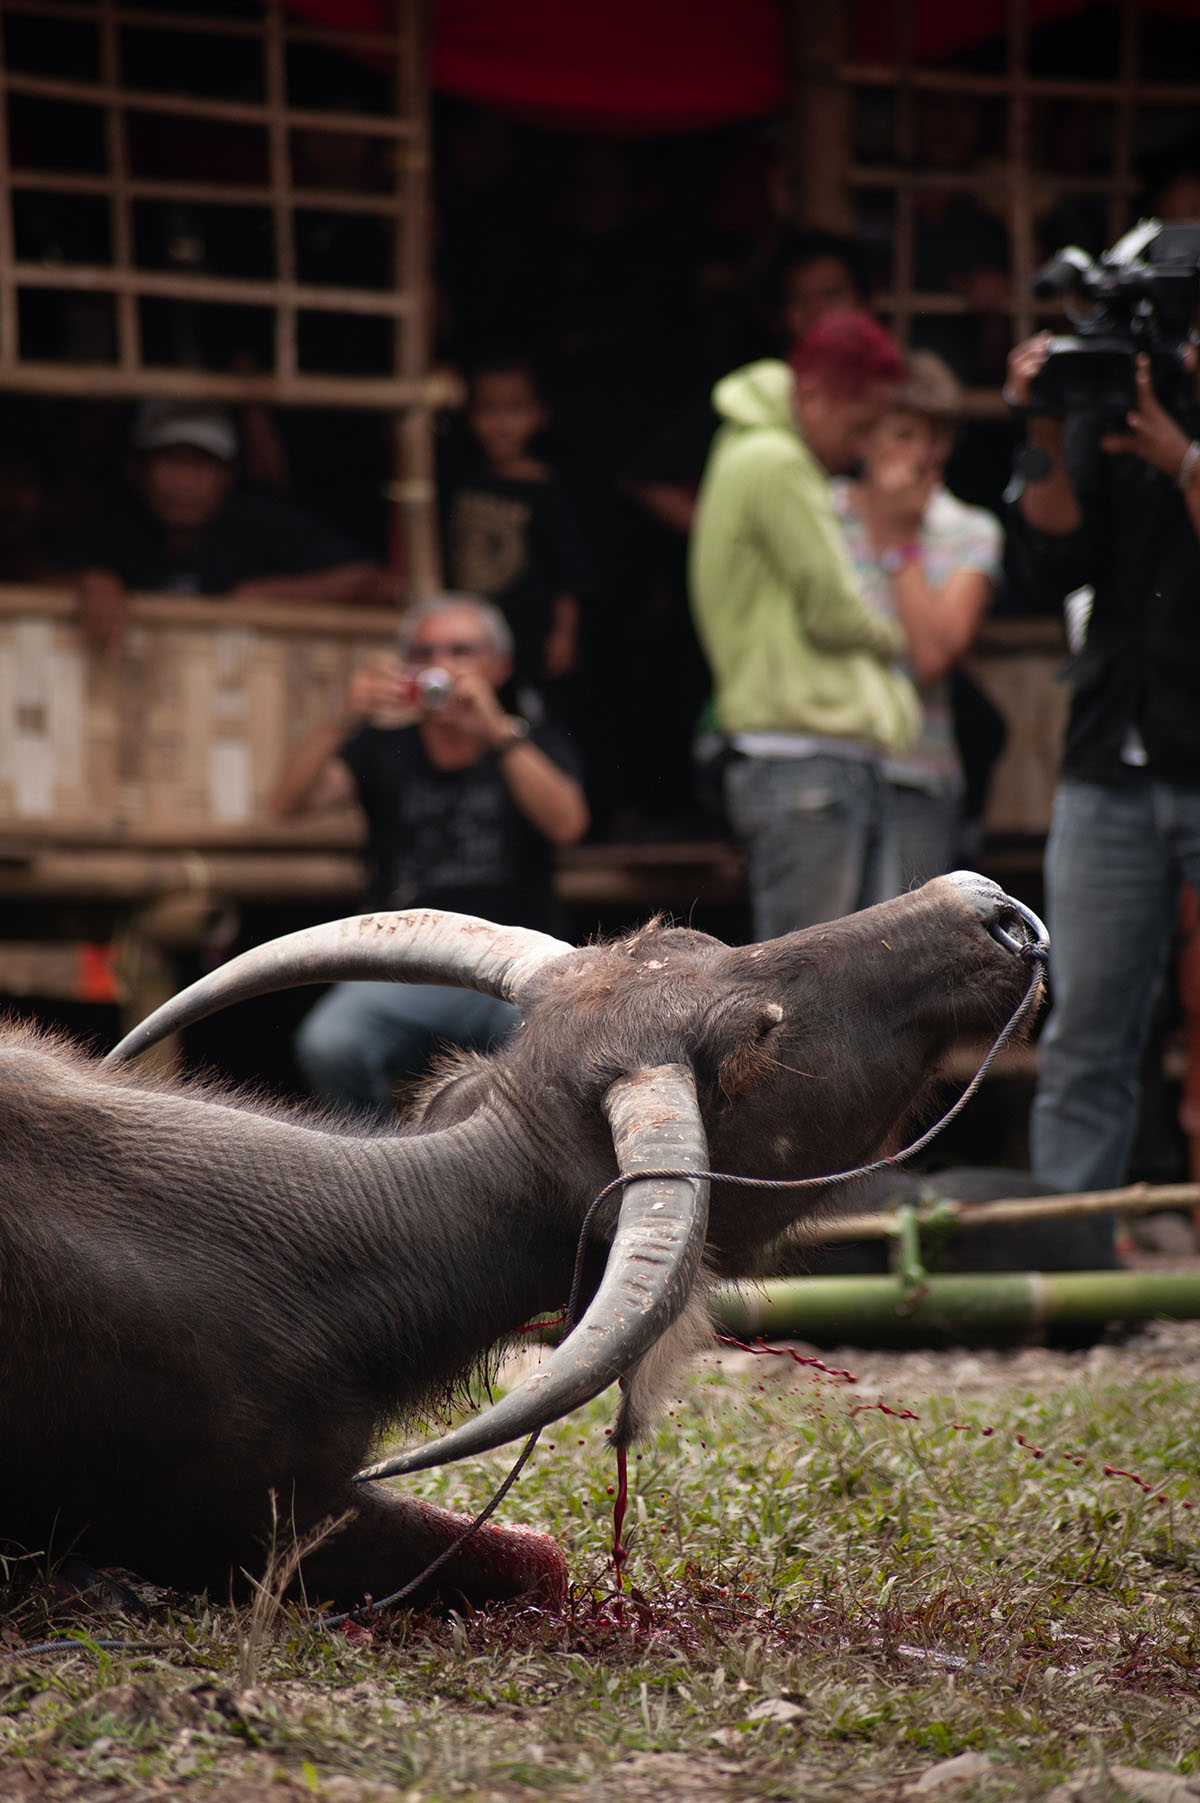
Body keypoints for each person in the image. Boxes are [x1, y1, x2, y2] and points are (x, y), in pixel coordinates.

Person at [1006, 327, 1200, 1207]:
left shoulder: (1168, 430)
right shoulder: (1106, 410)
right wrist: (1044, 428)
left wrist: (1185, 459)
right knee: (1083, 1024)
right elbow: (1054, 561)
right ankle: (1072, 1242)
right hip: (1111, 756)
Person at [271, 593, 589, 1119]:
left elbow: (568, 824)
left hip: (514, 970)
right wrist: (341, 717)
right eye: (423, 653)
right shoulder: (382, 745)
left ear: (499, 665)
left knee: (550, 1055)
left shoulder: (531, 741)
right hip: (405, 967)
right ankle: (375, 1180)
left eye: (460, 651)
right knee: (330, 1043)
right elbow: (288, 803)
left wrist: (496, 732)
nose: (440, 666)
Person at [688, 310, 920, 939]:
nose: (865, 444)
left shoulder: (754, 452)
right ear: (812, 395)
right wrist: (899, 637)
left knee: (837, 991)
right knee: (808, 1000)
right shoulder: (775, 460)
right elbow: (833, 611)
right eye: (861, 424)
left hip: (811, 761)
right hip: (804, 763)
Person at [830, 351, 1003, 886]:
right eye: (902, 434)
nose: (922, 455)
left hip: (918, 775)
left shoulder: (969, 529)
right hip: (828, 763)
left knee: (914, 958)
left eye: (936, 438)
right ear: (864, 438)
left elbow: (932, 656)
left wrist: (900, 540)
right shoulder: (821, 513)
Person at [54, 401, 390, 648]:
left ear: (229, 476)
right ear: (138, 471)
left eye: (201, 464)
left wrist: (263, 595)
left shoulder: (258, 522)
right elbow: (34, 569)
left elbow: (371, 579)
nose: (184, 482)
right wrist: (92, 580)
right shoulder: (115, 523)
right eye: (171, 461)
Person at [441, 355, 596, 713]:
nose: (501, 425)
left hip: (526, 633)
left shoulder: (547, 489)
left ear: (541, 415)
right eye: (488, 410)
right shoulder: (460, 476)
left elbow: (569, 569)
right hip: (467, 625)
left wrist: (564, 633)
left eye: (515, 410)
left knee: (523, 710)